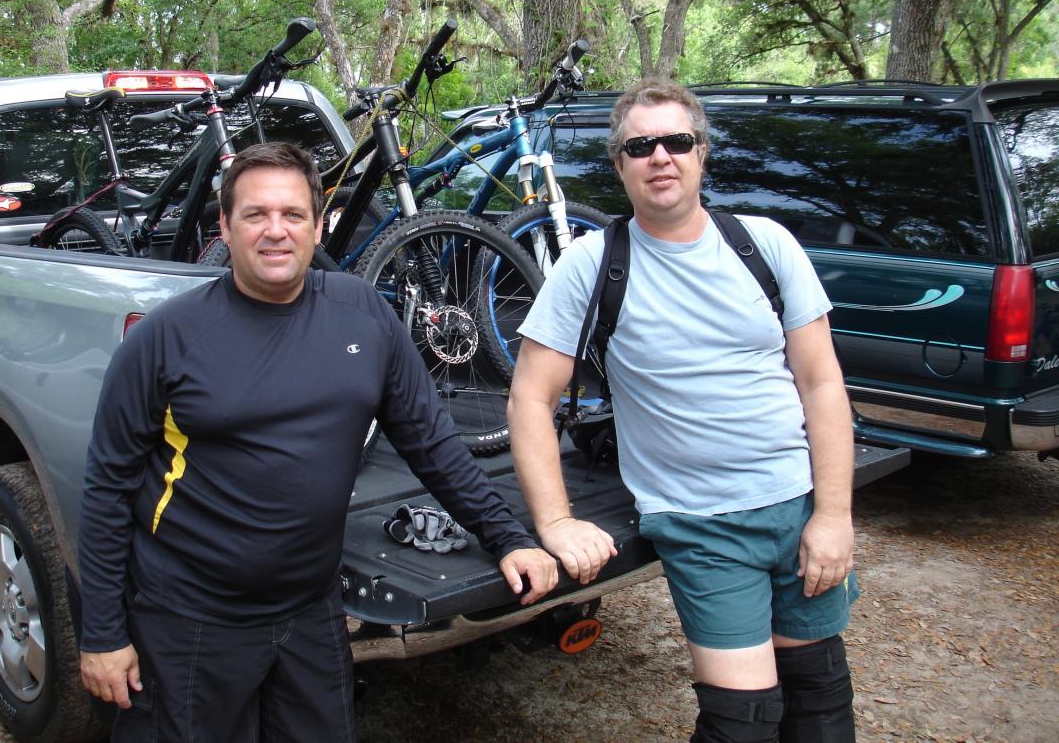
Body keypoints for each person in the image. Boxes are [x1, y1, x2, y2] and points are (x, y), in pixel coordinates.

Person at [78, 142, 558, 742]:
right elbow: (107, 489)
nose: (275, 231)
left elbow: (432, 444)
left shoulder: (363, 314)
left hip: (310, 611)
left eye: (292, 214)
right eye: (255, 214)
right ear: (225, 226)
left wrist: (508, 536)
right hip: (190, 619)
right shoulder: (166, 339)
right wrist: (103, 634)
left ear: (318, 224)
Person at [507, 77, 858, 742]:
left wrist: (834, 515)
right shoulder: (592, 265)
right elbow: (530, 395)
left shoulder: (765, 244)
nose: (660, 157)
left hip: (798, 506)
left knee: (820, 703)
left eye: (676, 141)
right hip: (702, 524)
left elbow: (821, 384)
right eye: (640, 146)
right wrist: (555, 521)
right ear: (620, 166)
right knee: (743, 724)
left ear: (702, 152)